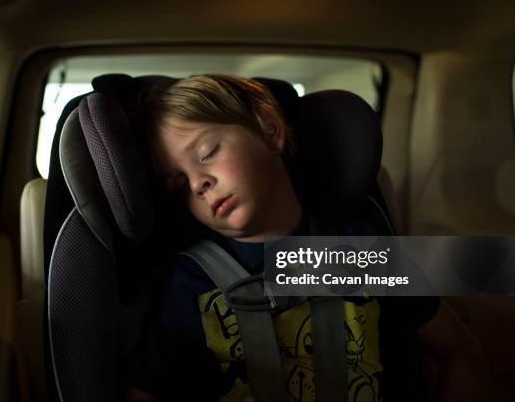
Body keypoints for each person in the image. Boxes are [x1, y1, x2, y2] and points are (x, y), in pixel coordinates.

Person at [125, 74, 487, 402]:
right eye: (178, 185)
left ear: (270, 131)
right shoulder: (188, 281)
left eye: (207, 152)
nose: (196, 184)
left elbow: (460, 352)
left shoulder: (363, 250)